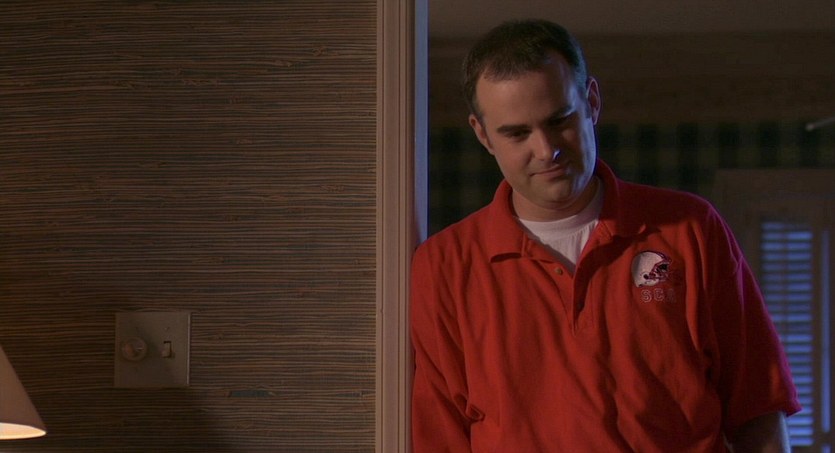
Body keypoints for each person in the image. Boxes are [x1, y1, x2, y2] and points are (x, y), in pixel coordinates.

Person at [410, 19, 800, 452]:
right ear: (483, 134)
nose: (546, 150)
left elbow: (758, 408)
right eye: (517, 133)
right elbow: (440, 437)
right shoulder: (443, 266)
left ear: (592, 102)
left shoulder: (690, 228)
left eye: (560, 120)